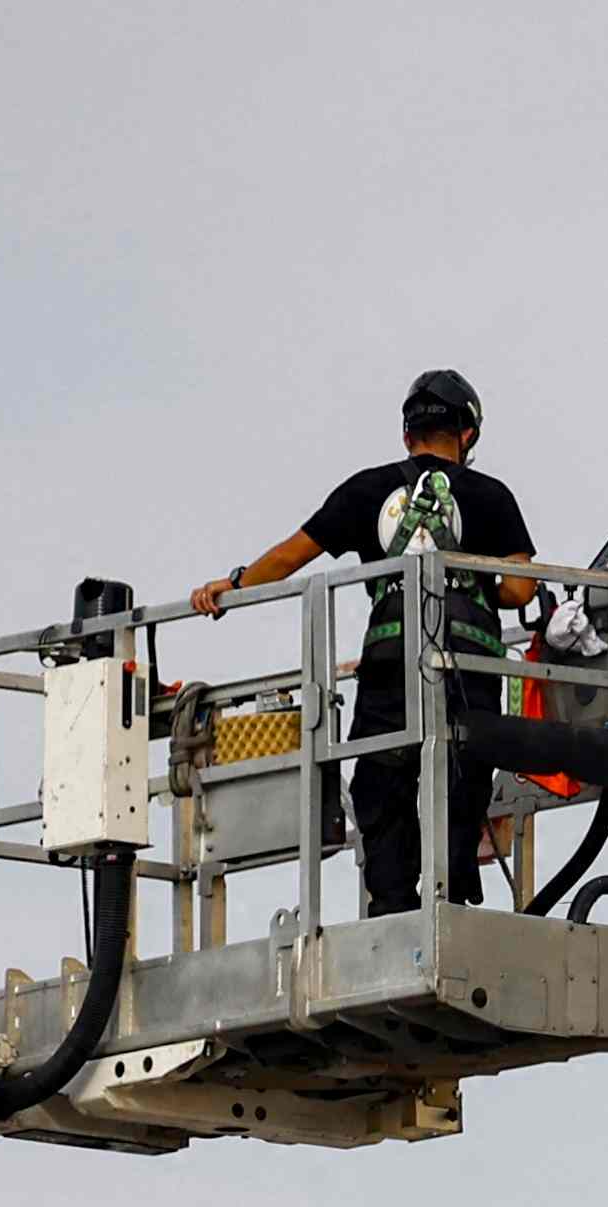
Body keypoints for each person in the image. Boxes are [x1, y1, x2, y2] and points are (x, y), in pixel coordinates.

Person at [190, 369, 542, 917]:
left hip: (389, 663)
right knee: (462, 773)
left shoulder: (367, 488)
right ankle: (452, 900)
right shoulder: (491, 496)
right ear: (467, 434)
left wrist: (231, 587)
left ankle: (393, 909)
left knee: (381, 778)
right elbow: (521, 589)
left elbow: (288, 559)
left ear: (407, 435)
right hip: (468, 665)